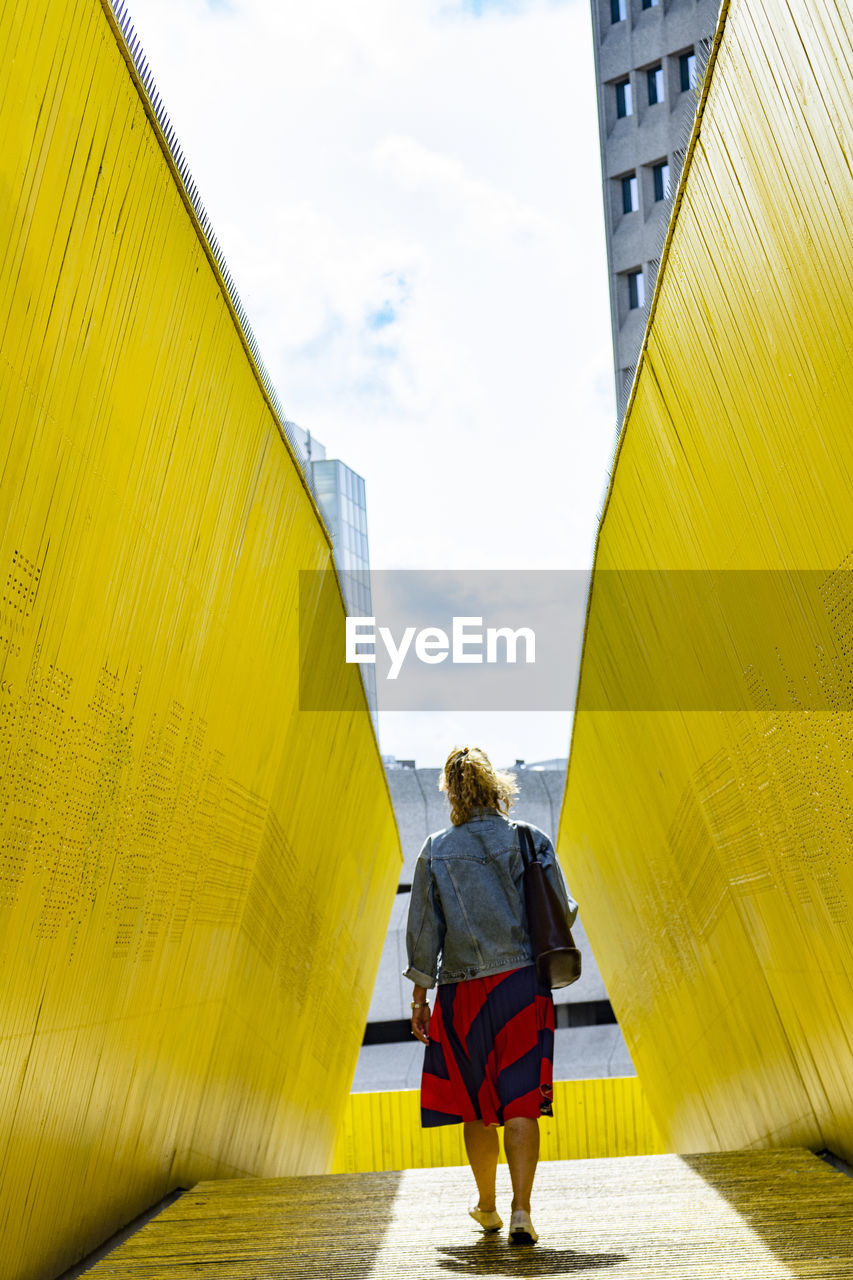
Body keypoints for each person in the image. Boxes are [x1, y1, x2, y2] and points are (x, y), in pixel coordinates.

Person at [404, 744, 578, 1246]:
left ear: (452, 794)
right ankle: (523, 1210)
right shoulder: (530, 839)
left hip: (462, 994)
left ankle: (486, 1204)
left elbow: (423, 934)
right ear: (496, 786)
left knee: (476, 1106)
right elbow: (560, 912)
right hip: (522, 986)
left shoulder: (435, 849)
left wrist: (421, 1001)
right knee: (520, 1100)